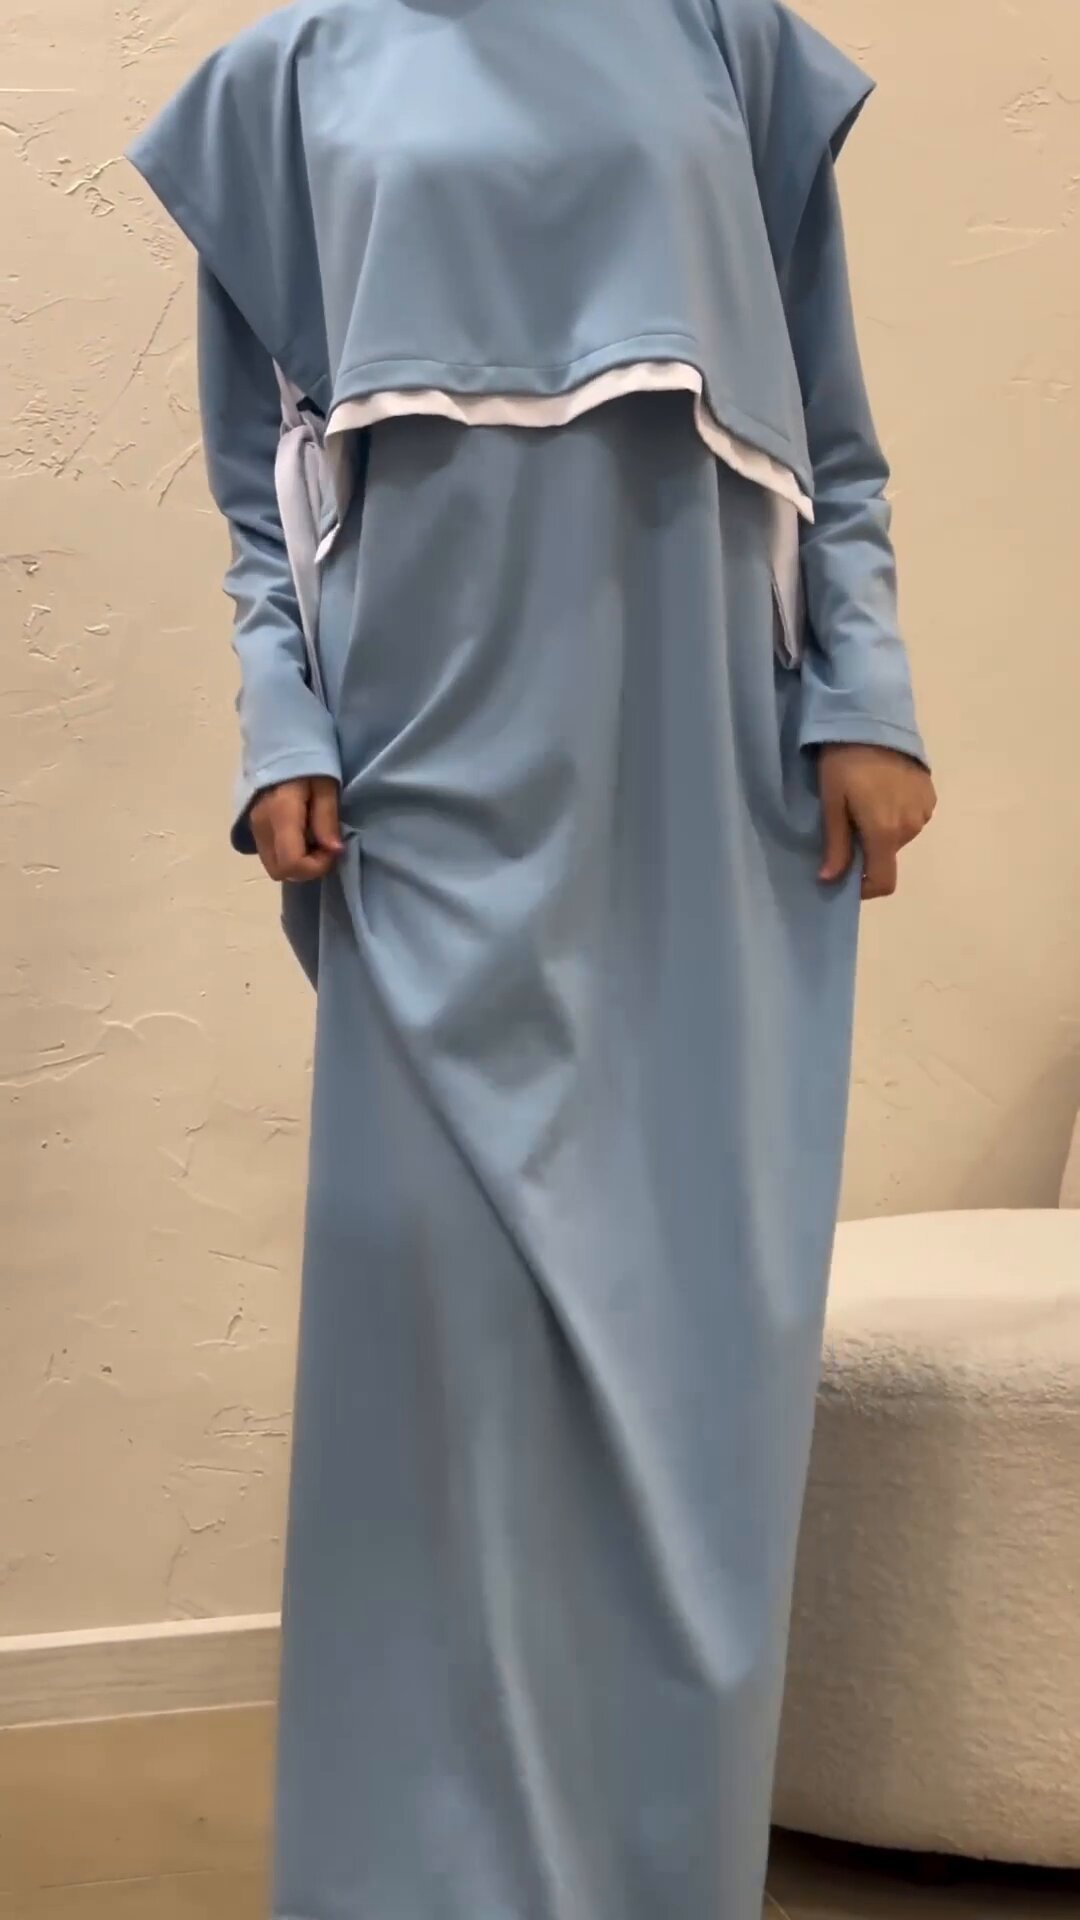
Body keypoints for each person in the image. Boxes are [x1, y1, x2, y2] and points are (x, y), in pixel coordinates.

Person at [128, 1, 935, 1914]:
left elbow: (826, 422)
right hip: (426, 772)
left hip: (702, 766)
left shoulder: (725, 39)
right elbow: (264, 472)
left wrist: (866, 686)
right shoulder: (286, 79)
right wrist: (280, 720)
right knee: (447, 1370)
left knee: (689, 1372)